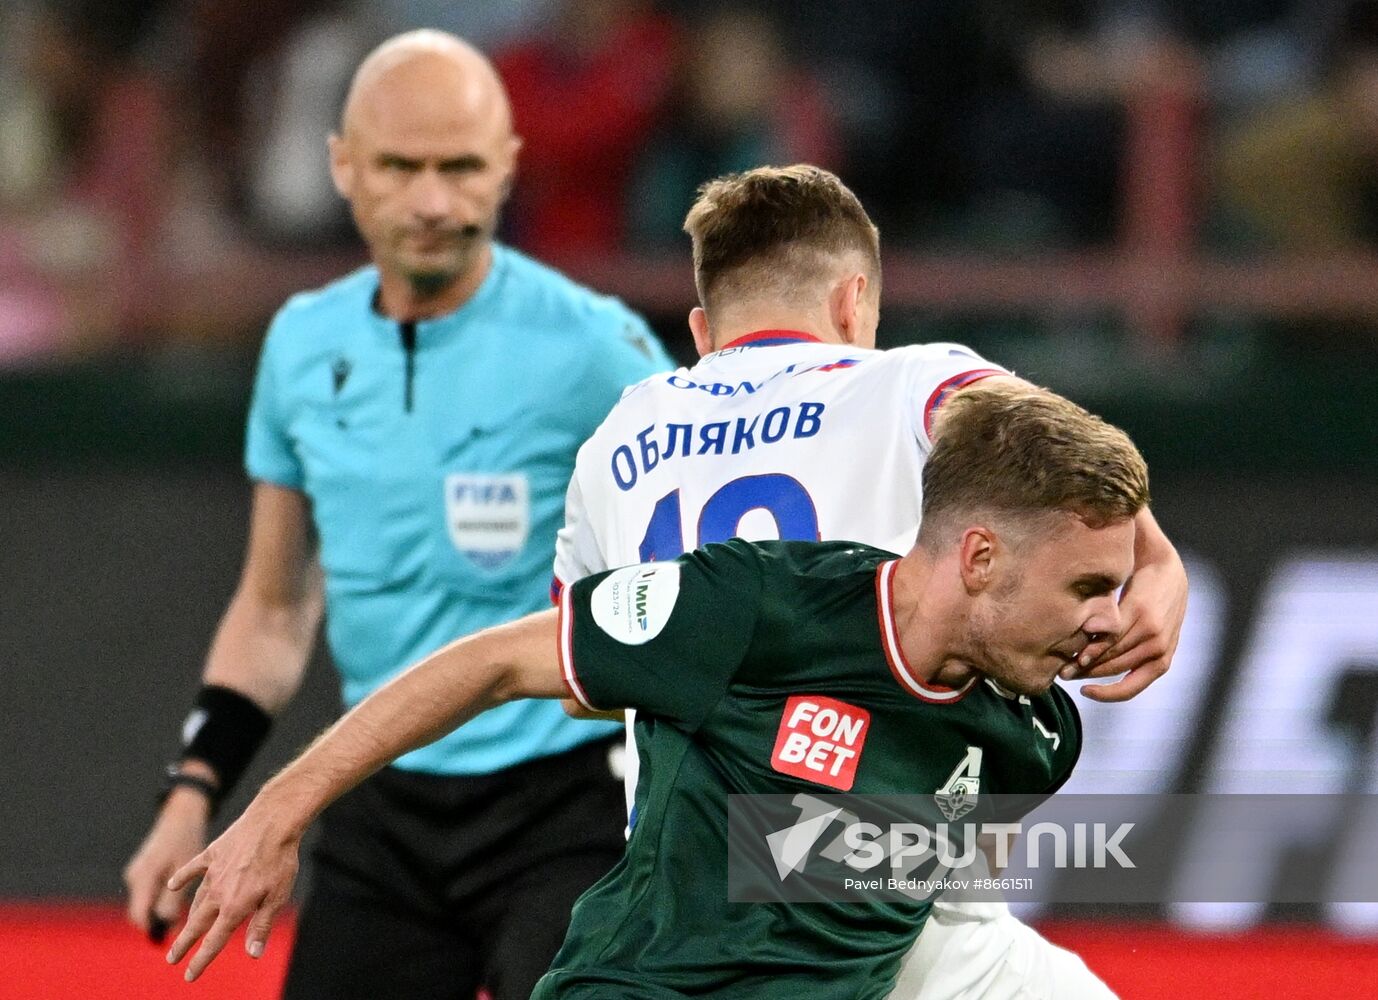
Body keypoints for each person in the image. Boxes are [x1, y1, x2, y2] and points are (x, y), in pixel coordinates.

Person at [161, 380, 1152, 1000]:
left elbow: (850, 883)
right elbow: (497, 661)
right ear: (978, 556)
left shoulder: (1035, 734)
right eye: (1085, 587)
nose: (1106, 620)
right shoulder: (753, 605)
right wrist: (278, 812)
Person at [121, 29, 670, 1000]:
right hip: (380, 804)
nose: (429, 200)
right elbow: (274, 609)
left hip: (564, 806)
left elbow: (702, 552)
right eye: (399, 166)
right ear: (343, 165)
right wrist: (189, 795)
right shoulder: (300, 346)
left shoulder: (595, 349)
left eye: (459, 167)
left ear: (507, 166)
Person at [553, 164, 1188, 998]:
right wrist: (1158, 561)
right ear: (854, 302)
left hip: (693, 876)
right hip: (872, 872)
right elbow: (1059, 459)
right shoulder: (911, 382)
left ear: (704, 331)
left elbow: (581, 689)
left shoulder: (619, 435)